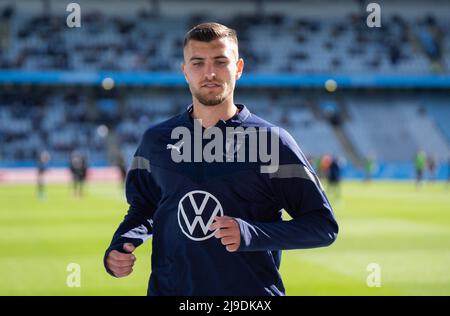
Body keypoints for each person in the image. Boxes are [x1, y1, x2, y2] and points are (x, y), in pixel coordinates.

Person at [104, 23, 338, 296]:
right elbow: (144, 207)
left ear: (238, 68)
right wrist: (121, 243)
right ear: (185, 71)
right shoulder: (156, 141)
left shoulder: (272, 142)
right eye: (198, 63)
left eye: (220, 62)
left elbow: (322, 227)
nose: (210, 73)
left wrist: (251, 234)